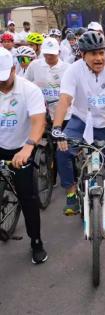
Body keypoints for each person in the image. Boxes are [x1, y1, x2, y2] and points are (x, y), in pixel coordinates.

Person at [52, 31, 105, 233]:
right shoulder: (73, 71)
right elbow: (65, 99)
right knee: (62, 149)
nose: (99, 58)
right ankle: (72, 194)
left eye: (101, 52)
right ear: (83, 55)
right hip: (80, 120)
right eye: (93, 53)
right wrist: (57, 128)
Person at [0, 48, 48, 264]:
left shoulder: (30, 90)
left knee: (27, 197)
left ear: (13, 69)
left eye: (4, 78)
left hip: (21, 147)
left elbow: (39, 121)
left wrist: (28, 148)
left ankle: (36, 241)